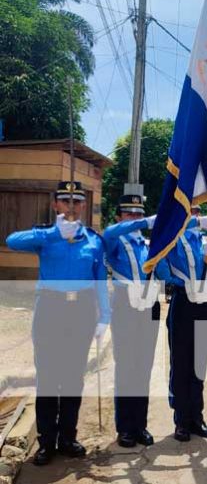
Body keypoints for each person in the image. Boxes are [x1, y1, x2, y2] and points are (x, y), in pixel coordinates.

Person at [5, 181, 110, 466]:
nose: (72, 206)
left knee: (73, 377)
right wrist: (54, 232)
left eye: (77, 201)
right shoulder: (44, 237)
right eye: (66, 201)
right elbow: (12, 241)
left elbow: (101, 280)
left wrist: (105, 317)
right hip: (50, 310)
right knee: (49, 377)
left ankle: (68, 438)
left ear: (84, 205)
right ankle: (46, 442)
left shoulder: (93, 240)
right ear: (56, 205)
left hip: (82, 312)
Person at [157, 211, 207, 442]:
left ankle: (197, 417)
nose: (196, 216)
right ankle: (181, 420)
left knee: (199, 363)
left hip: (206, 303)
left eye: (197, 211)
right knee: (181, 361)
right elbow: (161, 269)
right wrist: (184, 285)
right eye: (190, 211)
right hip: (184, 301)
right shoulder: (172, 236)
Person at [102, 194, 162, 448]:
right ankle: (125, 428)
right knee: (126, 367)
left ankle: (140, 425)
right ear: (119, 217)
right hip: (126, 305)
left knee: (143, 367)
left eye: (139, 214)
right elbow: (110, 233)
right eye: (130, 214)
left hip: (148, 305)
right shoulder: (114, 238)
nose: (136, 218)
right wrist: (140, 224)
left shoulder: (147, 244)